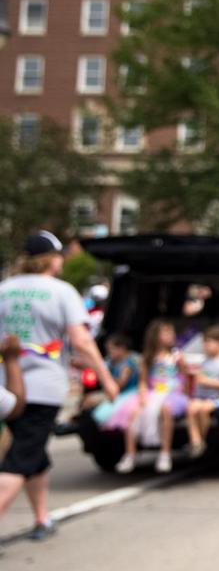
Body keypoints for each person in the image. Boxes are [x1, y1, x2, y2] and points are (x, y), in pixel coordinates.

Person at [0, 231, 119, 540]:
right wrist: (106, 378)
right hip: (42, 388)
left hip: (8, 388)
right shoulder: (61, 291)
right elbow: (81, 340)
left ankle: (42, 518)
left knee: (33, 453)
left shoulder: (4, 289)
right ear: (53, 259)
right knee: (19, 459)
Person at [110, 320, 190, 474]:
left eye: (171, 332)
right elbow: (142, 381)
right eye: (165, 332)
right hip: (153, 391)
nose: (170, 335)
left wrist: (184, 391)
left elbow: (184, 376)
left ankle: (165, 453)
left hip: (172, 392)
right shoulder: (147, 357)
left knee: (166, 410)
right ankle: (130, 454)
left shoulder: (177, 355)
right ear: (155, 336)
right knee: (132, 412)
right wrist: (142, 394)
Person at [185, 325, 219, 458]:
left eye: (209, 342)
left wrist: (205, 381)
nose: (206, 346)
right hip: (201, 396)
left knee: (203, 409)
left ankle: (201, 439)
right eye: (205, 343)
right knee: (191, 409)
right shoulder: (203, 361)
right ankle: (196, 441)